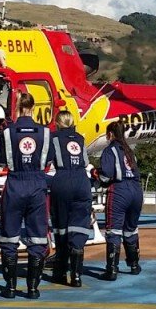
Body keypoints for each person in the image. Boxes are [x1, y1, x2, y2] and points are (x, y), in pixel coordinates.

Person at [0, 92, 52, 299]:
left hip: (15, 184)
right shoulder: (45, 132)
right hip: (37, 186)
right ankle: (33, 288)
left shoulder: (7, 133)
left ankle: (11, 287)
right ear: (33, 108)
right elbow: (49, 160)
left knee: (9, 236)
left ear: (16, 107)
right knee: (38, 237)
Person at [48, 110, 93, 287]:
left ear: (58, 123)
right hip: (82, 182)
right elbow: (84, 161)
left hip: (62, 181)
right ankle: (76, 276)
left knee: (60, 228)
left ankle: (59, 272)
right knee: (79, 226)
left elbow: (45, 161)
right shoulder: (80, 138)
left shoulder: (54, 138)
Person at [94, 120, 143, 280]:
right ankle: (134, 265)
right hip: (136, 190)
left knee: (113, 230)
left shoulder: (110, 150)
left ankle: (112, 269)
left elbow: (107, 175)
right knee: (131, 228)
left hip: (119, 191)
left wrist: (95, 174)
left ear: (110, 134)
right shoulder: (130, 150)